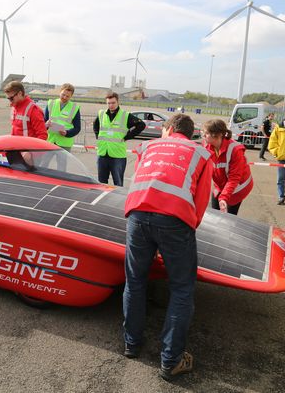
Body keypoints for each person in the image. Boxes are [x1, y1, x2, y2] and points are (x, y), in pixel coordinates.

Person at [122, 114, 213, 382]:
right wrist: (186, 227)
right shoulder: (200, 153)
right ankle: (171, 361)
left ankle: (131, 344)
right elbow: (202, 197)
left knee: (135, 281)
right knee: (182, 288)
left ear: (169, 129)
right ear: (189, 132)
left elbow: (138, 178)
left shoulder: (147, 146)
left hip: (137, 215)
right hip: (175, 220)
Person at [92, 93, 145, 186]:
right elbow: (95, 125)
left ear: (118, 102)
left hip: (117, 156)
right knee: (101, 183)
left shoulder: (125, 115)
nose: (111, 105)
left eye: (113, 103)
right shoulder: (101, 114)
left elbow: (141, 125)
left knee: (118, 183)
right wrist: (98, 136)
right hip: (102, 153)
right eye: (108, 103)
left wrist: (127, 136)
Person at [202, 119, 253, 215]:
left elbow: (234, 178)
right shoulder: (207, 145)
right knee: (215, 212)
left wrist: (224, 197)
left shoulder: (235, 150)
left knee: (229, 217)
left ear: (218, 135)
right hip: (221, 184)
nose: (204, 135)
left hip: (238, 188)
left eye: (206, 133)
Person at [44, 83, 81, 152]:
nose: (64, 97)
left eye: (67, 96)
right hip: (50, 140)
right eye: (63, 94)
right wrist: (46, 124)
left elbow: (77, 128)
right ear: (60, 92)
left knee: (62, 163)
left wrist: (67, 133)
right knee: (44, 162)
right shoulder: (51, 103)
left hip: (64, 143)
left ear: (71, 96)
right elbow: (43, 121)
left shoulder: (75, 108)